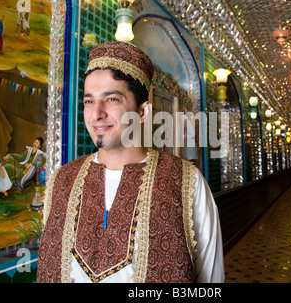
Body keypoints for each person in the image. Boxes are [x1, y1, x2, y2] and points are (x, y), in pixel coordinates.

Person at [37, 41, 224, 283]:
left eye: (112, 99)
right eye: (89, 101)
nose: (96, 114)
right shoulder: (61, 182)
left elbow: (210, 280)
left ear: (143, 112)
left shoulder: (186, 183)